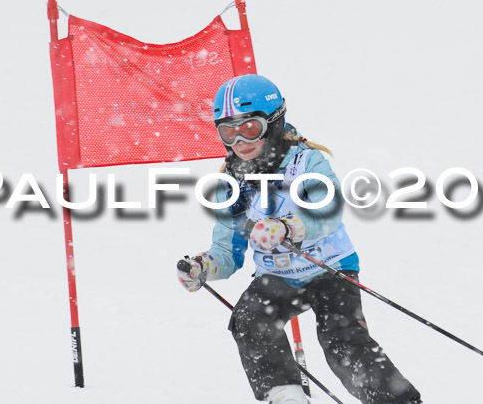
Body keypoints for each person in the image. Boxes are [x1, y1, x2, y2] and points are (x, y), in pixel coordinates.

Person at [177, 74, 422, 404]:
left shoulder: (306, 161)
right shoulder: (229, 185)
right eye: (228, 131)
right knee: (249, 317)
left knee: (341, 338)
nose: (239, 141)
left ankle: (394, 399)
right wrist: (205, 266)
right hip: (277, 277)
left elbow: (327, 209)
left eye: (250, 128)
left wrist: (288, 227)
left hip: (329, 268)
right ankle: (286, 395)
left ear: (274, 123)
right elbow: (227, 250)